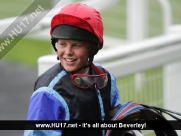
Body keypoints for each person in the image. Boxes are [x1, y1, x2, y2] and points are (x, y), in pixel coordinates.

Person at [24, 3, 121, 136]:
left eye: (76, 45)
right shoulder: (48, 92)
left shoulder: (106, 78)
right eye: (62, 44)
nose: (68, 52)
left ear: (92, 48)